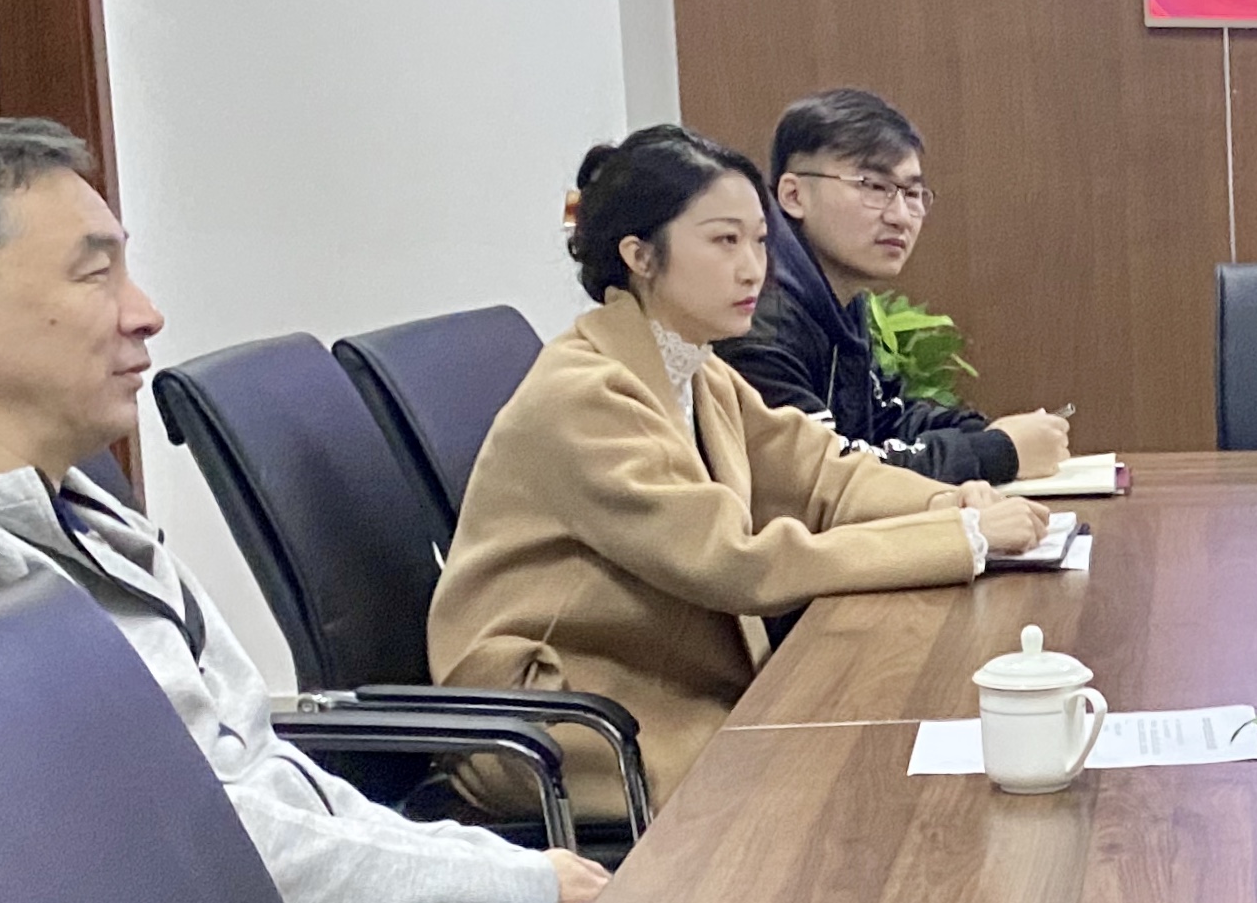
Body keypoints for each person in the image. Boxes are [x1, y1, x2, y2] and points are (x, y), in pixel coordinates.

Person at [0, 116, 599, 903]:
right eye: (95, 274)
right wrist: (520, 884)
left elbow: (257, 768)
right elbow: (156, 869)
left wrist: (503, 872)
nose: (144, 311)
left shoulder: (67, 501)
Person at [432, 126, 1047, 812]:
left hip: (658, 682)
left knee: (875, 747)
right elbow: (735, 562)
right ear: (640, 255)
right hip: (566, 717)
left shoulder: (692, 367)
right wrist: (963, 539)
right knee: (852, 778)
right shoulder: (586, 392)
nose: (754, 268)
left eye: (759, 241)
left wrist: (945, 505)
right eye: (725, 241)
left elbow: (822, 473)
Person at [721, 86, 1069, 485]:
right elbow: (828, 478)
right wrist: (994, 451)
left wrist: (986, 432)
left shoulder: (834, 298)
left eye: (913, 193)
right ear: (794, 195)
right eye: (873, 186)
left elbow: (885, 420)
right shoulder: (757, 317)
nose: (901, 216)